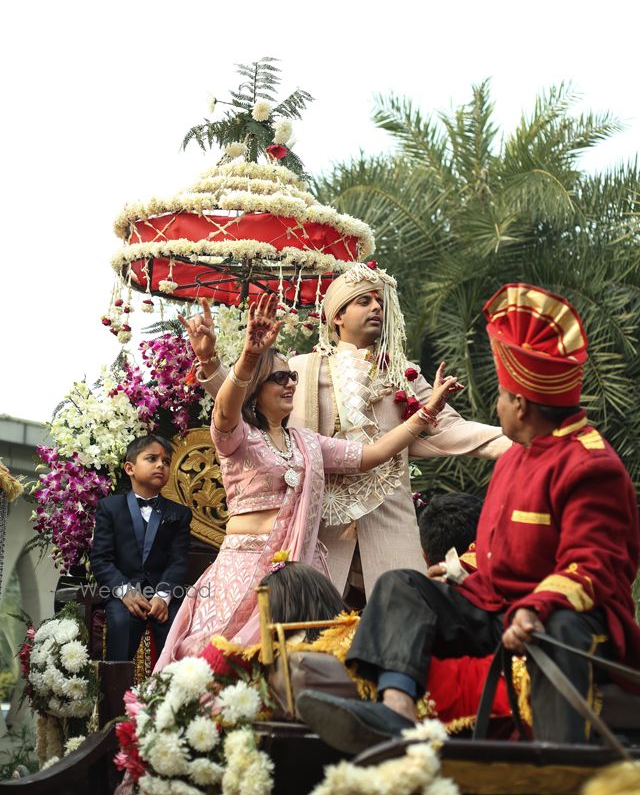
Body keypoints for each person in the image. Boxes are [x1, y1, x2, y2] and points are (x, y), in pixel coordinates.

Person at [296, 282, 640, 751]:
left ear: (519, 405)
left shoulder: (589, 464)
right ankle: (394, 715)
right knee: (403, 584)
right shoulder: (517, 457)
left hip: (567, 617)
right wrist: (459, 573)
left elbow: (595, 569)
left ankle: (561, 760)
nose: (497, 406)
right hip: (499, 607)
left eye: (501, 395)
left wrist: (536, 609)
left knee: (560, 627)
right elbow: (501, 550)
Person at [155, 293, 461, 666]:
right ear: (256, 389)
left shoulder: (307, 443)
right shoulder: (238, 436)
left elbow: (373, 455)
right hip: (245, 568)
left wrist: (426, 413)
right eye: (278, 378)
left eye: (293, 376)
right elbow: (224, 408)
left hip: (301, 574)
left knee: (304, 662)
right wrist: (250, 356)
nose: (290, 384)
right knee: (215, 661)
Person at [184, 263, 510, 597]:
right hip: (317, 530)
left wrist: (522, 441)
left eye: (379, 301)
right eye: (364, 301)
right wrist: (211, 365)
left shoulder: (404, 374)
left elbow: (451, 430)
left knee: (402, 623)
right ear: (337, 316)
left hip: (389, 522)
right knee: (312, 632)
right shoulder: (299, 371)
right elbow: (242, 404)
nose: (377, 308)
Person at [90, 435, 193, 661]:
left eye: (166, 462)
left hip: (163, 594)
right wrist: (125, 592)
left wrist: (163, 596)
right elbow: (101, 559)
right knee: (121, 622)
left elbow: (178, 560)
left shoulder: (179, 513)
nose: (160, 465)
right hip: (123, 594)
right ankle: (117, 689)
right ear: (130, 468)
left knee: (177, 626)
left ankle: (171, 690)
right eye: (152, 459)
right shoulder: (110, 508)